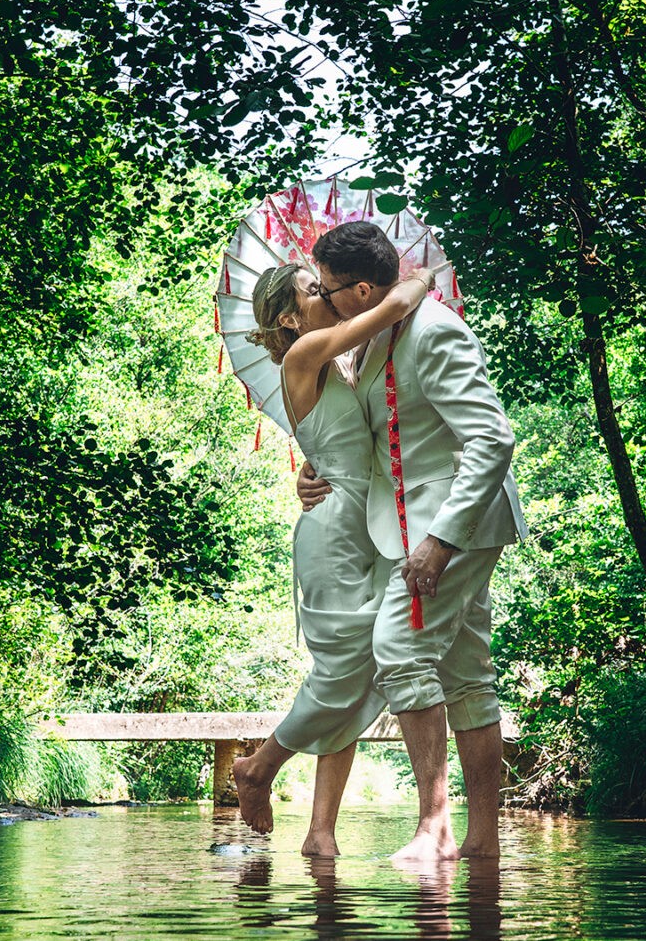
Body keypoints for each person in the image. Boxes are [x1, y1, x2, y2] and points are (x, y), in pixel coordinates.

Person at [299, 220, 524, 861]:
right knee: (466, 675)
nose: (322, 295)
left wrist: (441, 540)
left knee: (396, 649)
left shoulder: (433, 331)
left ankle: (435, 825)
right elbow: (378, 440)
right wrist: (311, 470)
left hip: (452, 526)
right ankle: (481, 844)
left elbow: (492, 439)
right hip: (409, 526)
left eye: (328, 286)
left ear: (362, 289)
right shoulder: (374, 342)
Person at [230, 259, 436, 855]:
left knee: (358, 672)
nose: (326, 295)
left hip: (368, 527)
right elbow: (391, 309)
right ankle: (260, 767)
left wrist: (311, 464)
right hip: (334, 536)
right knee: (341, 673)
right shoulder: (305, 352)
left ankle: (321, 832)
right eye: (314, 291)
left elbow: (350, 439)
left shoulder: (331, 363)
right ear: (291, 317)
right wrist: (416, 280)